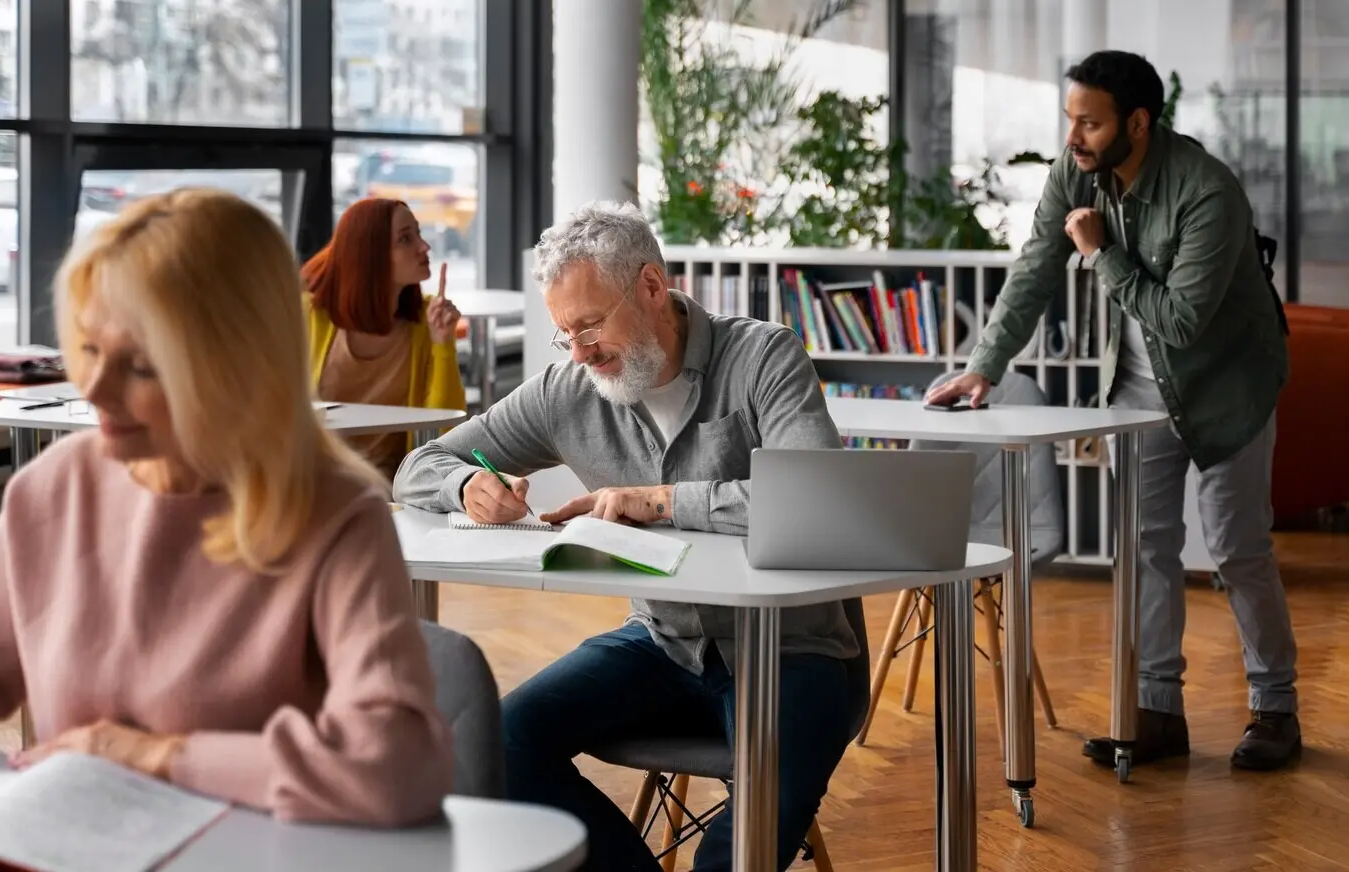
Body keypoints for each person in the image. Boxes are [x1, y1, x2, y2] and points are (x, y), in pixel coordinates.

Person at [393, 200, 860, 872]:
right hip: (662, 644)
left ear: (648, 287)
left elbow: (817, 500)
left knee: (741, 845)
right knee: (501, 740)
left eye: (589, 325)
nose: (580, 352)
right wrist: (465, 487)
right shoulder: (567, 390)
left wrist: (660, 501)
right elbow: (420, 464)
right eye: (565, 335)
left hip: (793, 650)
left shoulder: (763, 356)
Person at [0, 188, 454, 824]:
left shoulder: (338, 516)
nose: (95, 391)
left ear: (236, 367)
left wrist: (151, 755)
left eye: (142, 365)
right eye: (88, 350)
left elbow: (397, 767)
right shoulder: (53, 489)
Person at [927, 50, 1299, 771]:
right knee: (1144, 546)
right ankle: (1158, 712)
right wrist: (984, 367)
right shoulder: (1077, 171)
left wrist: (1101, 254)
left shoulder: (1206, 192)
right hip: (1137, 392)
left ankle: (1276, 709)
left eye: (1090, 123)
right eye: (1070, 119)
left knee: (1236, 550)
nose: (1074, 137)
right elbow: (1036, 266)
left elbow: (1182, 322)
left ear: (1137, 122)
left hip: (1230, 389)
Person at [301, 197, 467, 479]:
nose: (424, 247)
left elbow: (444, 432)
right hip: (316, 482)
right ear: (370, 254)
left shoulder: (427, 319)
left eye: (419, 234)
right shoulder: (309, 315)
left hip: (391, 487)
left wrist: (442, 344)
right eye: (406, 238)